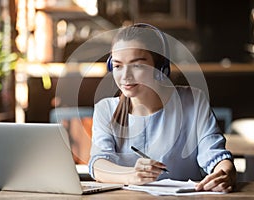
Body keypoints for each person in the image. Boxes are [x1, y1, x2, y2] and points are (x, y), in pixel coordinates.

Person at [88, 23, 236, 192]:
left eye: (137, 65)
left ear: (160, 67)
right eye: (117, 66)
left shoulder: (193, 101)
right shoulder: (105, 109)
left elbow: (214, 155)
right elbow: (99, 164)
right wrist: (132, 175)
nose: (125, 76)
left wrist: (226, 173)